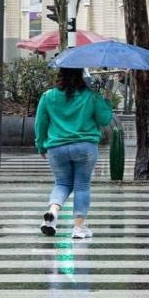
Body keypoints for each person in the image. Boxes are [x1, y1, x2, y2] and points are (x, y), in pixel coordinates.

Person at [35, 68, 114, 239]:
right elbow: (104, 120)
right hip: (84, 146)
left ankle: (53, 211)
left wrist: (41, 145)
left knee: (62, 183)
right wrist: (106, 100)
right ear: (80, 76)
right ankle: (78, 228)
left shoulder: (48, 96)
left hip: (57, 148)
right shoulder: (91, 96)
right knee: (82, 186)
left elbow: (40, 123)